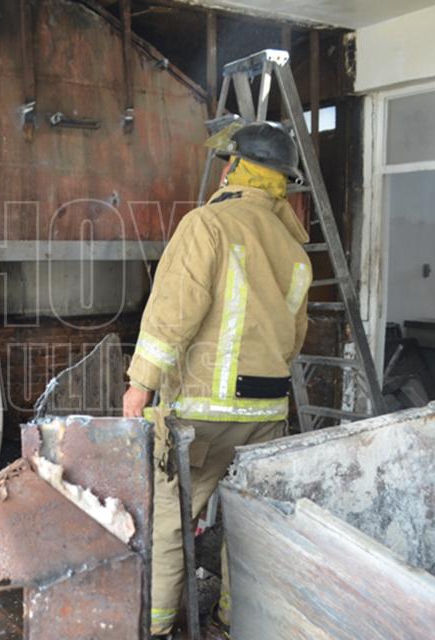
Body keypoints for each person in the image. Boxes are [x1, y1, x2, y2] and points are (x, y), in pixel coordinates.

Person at [122, 122, 312, 638]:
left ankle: (156, 628)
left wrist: (140, 384)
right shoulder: (296, 249)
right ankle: (232, 620)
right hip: (267, 413)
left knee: (171, 521)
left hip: (202, 414)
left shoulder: (207, 224)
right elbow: (293, 338)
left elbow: (171, 315)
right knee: (248, 527)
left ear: (236, 168)